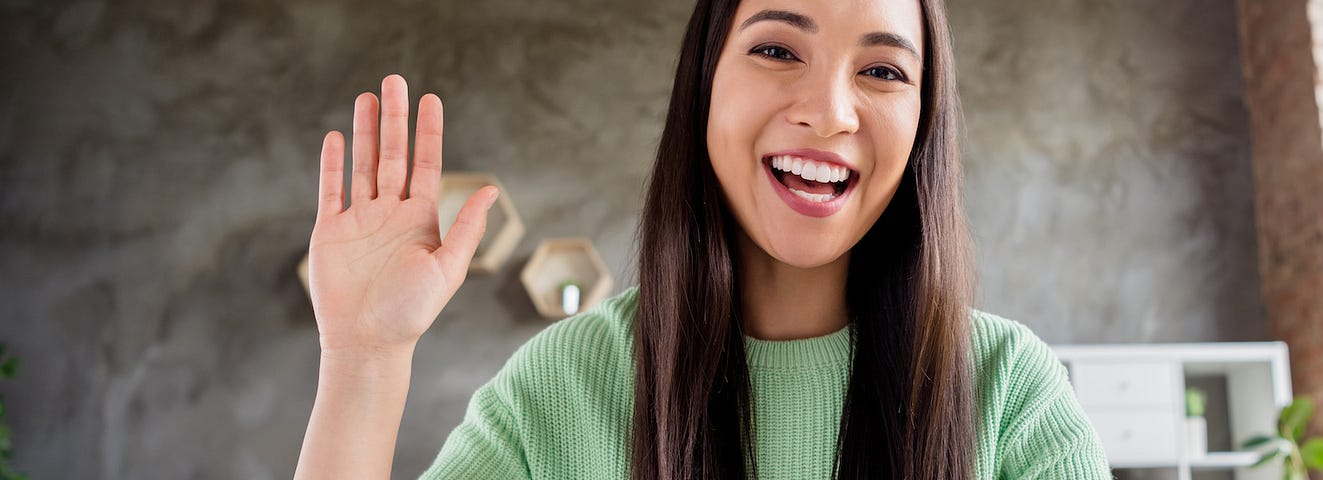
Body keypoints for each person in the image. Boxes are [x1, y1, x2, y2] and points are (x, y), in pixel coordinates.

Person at [293, 0, 1110, 478]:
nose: (829, 111)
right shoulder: (566, 387)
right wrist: (363, 360)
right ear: (703, 89)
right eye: (777, 50)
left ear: (926, 121)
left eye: (884, 70)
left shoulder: (1010, 394)